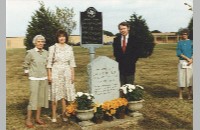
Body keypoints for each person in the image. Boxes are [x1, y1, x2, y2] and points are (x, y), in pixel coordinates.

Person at [47, 29, 76, 122]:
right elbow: (49, 63)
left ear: (66, 38)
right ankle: (54, 115)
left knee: (64, 95)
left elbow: (72, 62)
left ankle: (64, 114)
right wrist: (49, 75)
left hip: (66, 72)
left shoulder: (69, 48)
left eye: (63, 36)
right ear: (57, 38)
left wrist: (72, 75)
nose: (62, 38)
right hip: (56, 71)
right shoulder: (52, 48)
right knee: (55, 94)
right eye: (60, 36)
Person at [23, 35, 49, 128]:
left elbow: (48, 65)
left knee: (41, 99)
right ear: (35, 43)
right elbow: (26, 64)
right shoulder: (30, 52)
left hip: (44, 78)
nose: (41, 43)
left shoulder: (46, 53)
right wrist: (27, 72)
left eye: (42, 41)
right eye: (38, 41)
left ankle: (38, 118)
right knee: (33, 99)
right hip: (34, 78)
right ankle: (29, 119)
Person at [112, 22, 140, 86]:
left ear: (128, 28)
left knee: (129, 85)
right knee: (121, 84)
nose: (122, 30)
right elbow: (115, 53)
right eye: (120, 29)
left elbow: (137, 53)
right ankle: (121, 96)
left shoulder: (135, 39)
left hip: (130, 66)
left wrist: (132, 61)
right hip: (120, 66)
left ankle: (129, 95)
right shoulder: (116, 39)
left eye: (124, 28)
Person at [176, 29, 193, 100]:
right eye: (183, 34)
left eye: (185, 34)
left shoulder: (191, 42)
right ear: (181, 35)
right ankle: (180, 95)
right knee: (181, 78)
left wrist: (191, 59)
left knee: (190, 79)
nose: (184, 35)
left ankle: (189, 95)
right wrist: (187, 59)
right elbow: (179, 53)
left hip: (191, 62)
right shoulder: (179, 43)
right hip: (182, 61)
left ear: (187, 35)